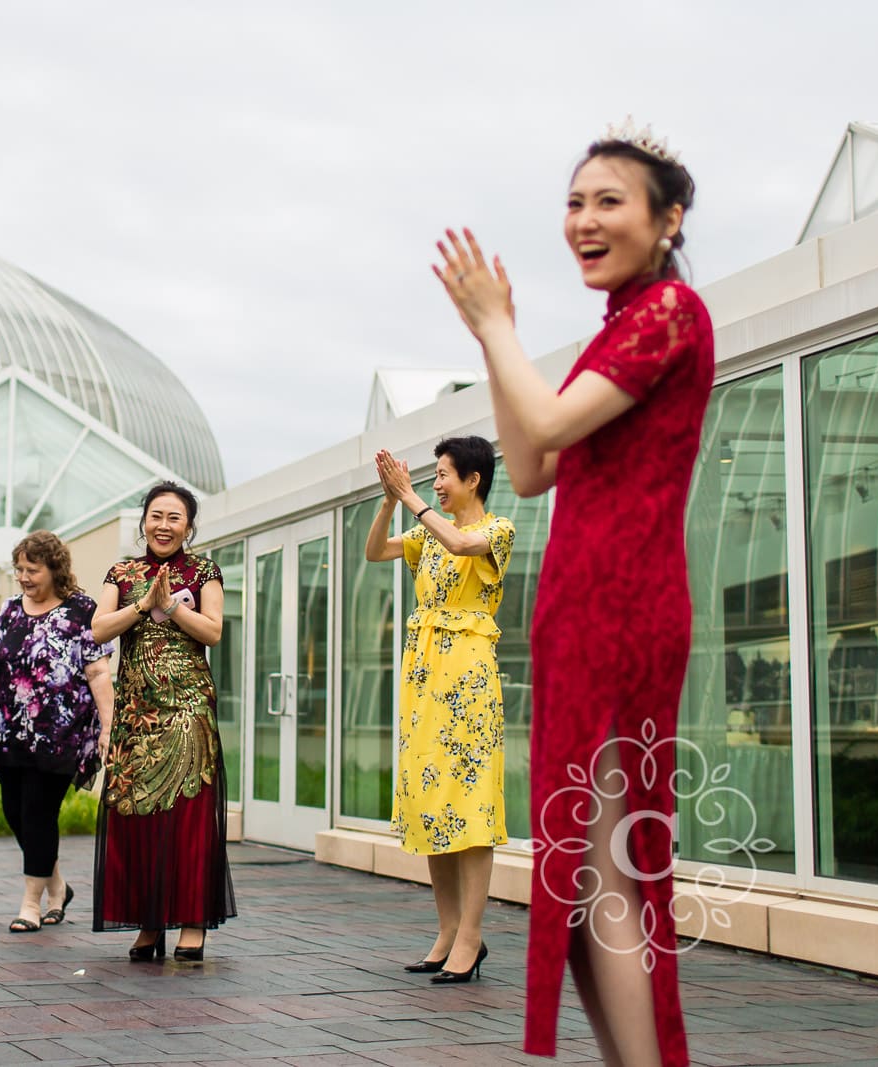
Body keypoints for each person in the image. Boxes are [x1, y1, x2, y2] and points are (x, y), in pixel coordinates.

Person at [433, 123, 712, 1067]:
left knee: (607, 872)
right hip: (579, 605)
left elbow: (546, 419)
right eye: (574, 202)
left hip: (626, 604)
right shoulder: (623, 325)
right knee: (583, 873)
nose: (584, 220)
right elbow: (530, 461)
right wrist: (489, 334)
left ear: (669, 219)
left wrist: (501, 329)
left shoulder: (671, 312)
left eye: (609, 201)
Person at [364, 436, 513, 985]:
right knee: (432, 799)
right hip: (424, 676)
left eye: (444, 474)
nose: (436, 483)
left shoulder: (496, 530)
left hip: (468, 678)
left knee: (469, 808)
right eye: (432, 475)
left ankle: (471, 937)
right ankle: (447, 930)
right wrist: (387, 499)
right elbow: (375, 551)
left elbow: (458, 543)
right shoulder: (424, 533)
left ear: (473, 479)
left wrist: (410, 500)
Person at [90, 481, 235, 961]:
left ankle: (193, 923)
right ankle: (148, 923)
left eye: (174, 518)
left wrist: (171, 605)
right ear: (144, 521)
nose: (164, 526)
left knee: (188, 820)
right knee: (138, 819)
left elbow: (213, 631)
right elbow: (98, 629)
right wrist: (141, 603)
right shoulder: (122, 572)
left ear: (189, 525)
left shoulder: (204, 570)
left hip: (188, 711)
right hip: (136, 714)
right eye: (156, 516)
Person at [0, 531, 114, 933]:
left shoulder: (81, 610)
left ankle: (31, 904)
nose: (24, 577)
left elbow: (98, 670)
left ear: (54, 569)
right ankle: (58, 886)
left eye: (33, 570)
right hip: (9, 730)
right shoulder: (11, 610)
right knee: (15, 813)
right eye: (19, 569)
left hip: (62, 734)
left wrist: (107, 728)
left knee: (38, 812)